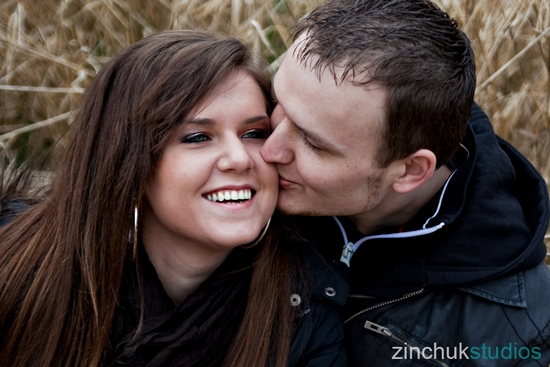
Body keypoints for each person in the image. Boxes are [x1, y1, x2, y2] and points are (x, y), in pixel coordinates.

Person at [0, 30, 348, 367]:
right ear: (129, 162)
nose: (240, 158)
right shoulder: (19, 273)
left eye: (254, 133)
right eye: (198, 137)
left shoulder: (306, 305)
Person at [260, 0, 550, 366]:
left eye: (313, 143)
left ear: (411, 171)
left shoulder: (522, 336)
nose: (268, 151)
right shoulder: (241, 188)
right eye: (278, 102)